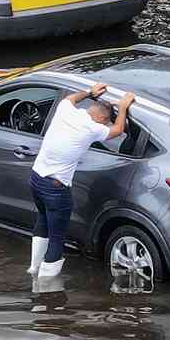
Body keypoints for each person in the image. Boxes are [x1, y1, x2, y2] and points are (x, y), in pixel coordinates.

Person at [28, 82, 134, 276]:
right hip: (55, 187)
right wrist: (124, 107)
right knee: (57, 238)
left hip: (36, 178)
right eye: (104, 122)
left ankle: (34, 268)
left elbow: (70, 98)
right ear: (101, 118)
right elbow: (118, 130)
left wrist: (89, 92)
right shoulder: (92, 128)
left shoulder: (65, 110)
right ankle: (44, 289)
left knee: (42, 220)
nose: (104, 125)